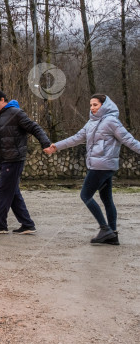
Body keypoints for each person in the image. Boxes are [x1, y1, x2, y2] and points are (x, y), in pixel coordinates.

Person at [44, 94, 140, 245]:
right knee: (107, 199)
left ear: (105, 105)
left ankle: (105, 229)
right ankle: (112, 235)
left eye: (95, 105)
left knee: (85, 195)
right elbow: (77, 138)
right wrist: (56, 146)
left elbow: (129, 140)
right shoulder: (91, 122)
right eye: (90, 105)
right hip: (101, 165)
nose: (92, 108)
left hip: (101, 166)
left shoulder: (111, 121)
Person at [0, 90, 50, 235]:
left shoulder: (16, 113)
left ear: (2, 99)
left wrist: (46, 143)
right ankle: (27, 224)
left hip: (14, 159)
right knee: (13, 193)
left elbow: (34, 127)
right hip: (4, 160)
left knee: (3, 191)